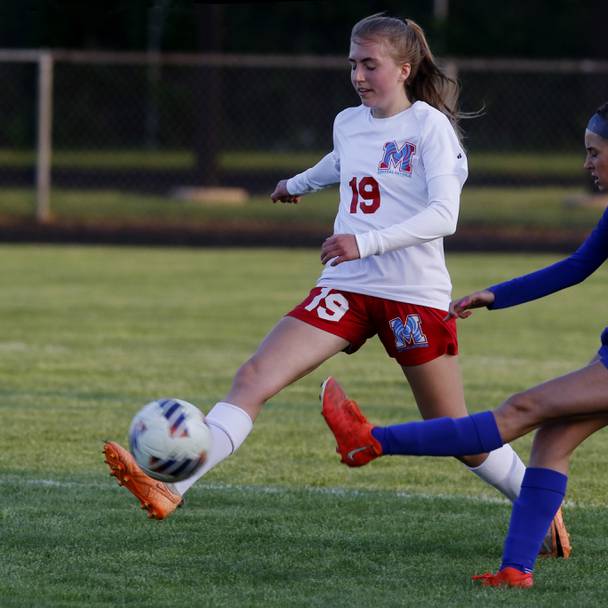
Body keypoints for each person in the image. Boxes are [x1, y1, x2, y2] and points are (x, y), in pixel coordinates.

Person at [101, 13, 570, 552]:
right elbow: (344, 162)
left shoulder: (428, 127)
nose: (359, 75)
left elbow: (445, 215)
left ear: (404, 67)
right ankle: (171, 484)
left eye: (370, 64)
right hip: (345, 286)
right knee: (254, 377)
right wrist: (296, 183)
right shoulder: (350, 121)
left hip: (411, 296)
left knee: (456, 433)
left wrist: (362, 241)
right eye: (353, 64)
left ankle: (538, 502)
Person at [321, 88, 608, 589]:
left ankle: (371, 441)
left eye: (594, 152)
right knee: (550, 442)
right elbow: (578, 266)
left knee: (520, 410)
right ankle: (516, 571)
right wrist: (498, 295)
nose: (586, 162)